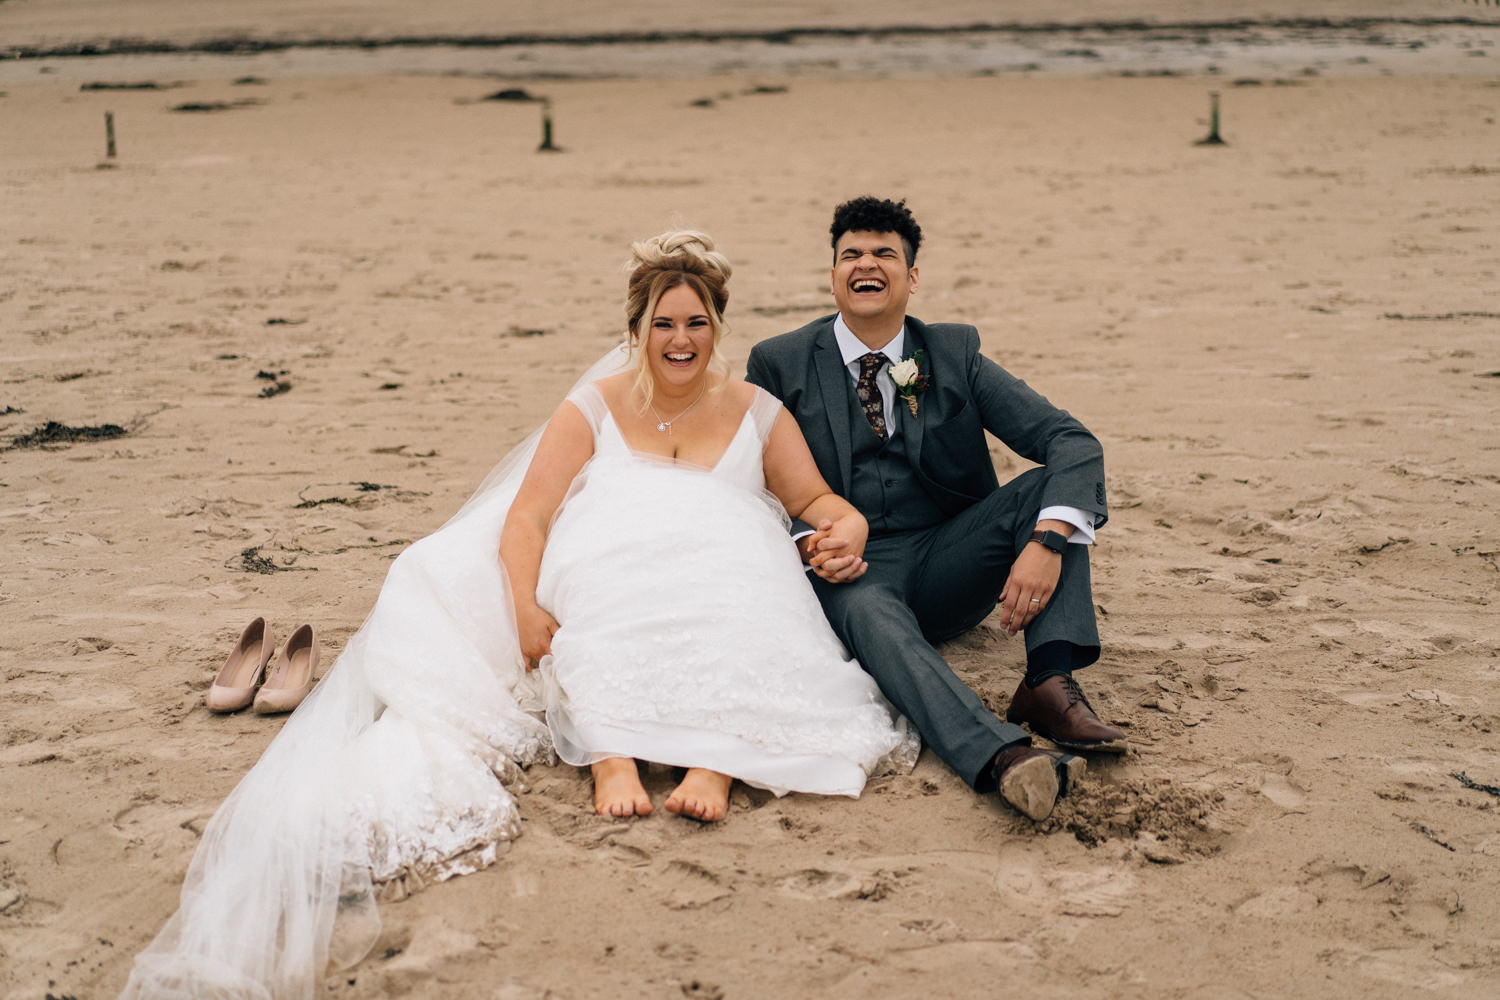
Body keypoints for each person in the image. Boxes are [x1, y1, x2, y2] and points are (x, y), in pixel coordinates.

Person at [122, 230, 913, 1000]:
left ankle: (715, 764)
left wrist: (849, 526)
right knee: (610, 597)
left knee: (747, 592)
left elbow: (814, 501)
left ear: (718, 327)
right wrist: (527, 606)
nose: (680, 339)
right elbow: (530, 518)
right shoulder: (595, 406)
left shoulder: (755, 410)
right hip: (615, 555)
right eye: (663, 324)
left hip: (723, 559)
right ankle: (613, 753)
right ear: (634, 330)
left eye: (696, 323)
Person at [746, 196, 1126, 824]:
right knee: (873, 614)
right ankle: (1003, 757)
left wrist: (1047, 541)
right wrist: (804, 546)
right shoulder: (779, 361)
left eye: (883, 253)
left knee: (1047, 490)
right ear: (833, 273)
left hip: (953, 555)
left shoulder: (953, 352)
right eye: (851, 255)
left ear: (912, 276)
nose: (866, 264)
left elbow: (1070, 441)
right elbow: (753, 483)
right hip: (852, 566)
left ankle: (1048, 682)